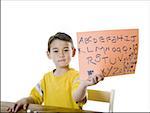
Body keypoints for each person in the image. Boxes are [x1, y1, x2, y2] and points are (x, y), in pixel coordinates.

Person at [7, 32, 104, 113]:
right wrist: (26, 100)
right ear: (49, 54)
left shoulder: (77, 76)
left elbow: (77, 98)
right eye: (56, 51)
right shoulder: (46, 78)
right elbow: (35, 98)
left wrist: (83, 85)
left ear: (73, 52)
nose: (61, 54)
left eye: (66, 50)